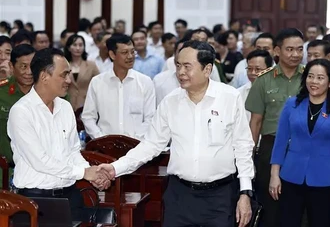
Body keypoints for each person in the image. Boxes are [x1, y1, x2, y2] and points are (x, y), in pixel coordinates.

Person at [97, 40, 255, 227]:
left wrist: (245, 192)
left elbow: (243, 146)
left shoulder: (229, 97)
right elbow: (151, 145)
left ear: (207, 69)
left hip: (219, 196)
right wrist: (116, 167)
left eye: (187, 67)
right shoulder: (170, 102)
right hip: (180, 196)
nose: (180, 72)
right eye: (178, 65)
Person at [8, 48, 111, 220]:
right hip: (36, 200)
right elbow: (41, 161)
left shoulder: (64, 107)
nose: (69, 80)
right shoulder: (21, 111)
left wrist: (91, 173)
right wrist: (84, 173)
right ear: (44, 77)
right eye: (64, 75)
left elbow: (72, 151)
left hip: (69, 196)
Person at [269, 59, 330, 227]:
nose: (314, 81)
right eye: (310, 76)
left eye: (320, 78)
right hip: (291, 176)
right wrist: (274, 175)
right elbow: (280, 141)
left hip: (325, 180)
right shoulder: (292, 104)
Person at [245, 28, 304, 227]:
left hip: (303, 149)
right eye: (290, 49)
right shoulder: (263, 80)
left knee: (300, 205)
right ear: (277, 51)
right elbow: (256, 122)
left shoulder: (310, 78)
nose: (296, 54)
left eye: (299, 49)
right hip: (270, 149)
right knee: (271, 206)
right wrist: (250, 157)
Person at [81, 34, 155, 140]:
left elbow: (150, 118)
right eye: (125, 53)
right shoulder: (97, 82)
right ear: (112, 55)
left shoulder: (145, 82)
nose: (130, 56)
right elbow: (88, 117)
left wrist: (134, 141)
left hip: (138, 147)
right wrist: (102, 139)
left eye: (132, 52)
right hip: (106, 148)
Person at [0, 44, 35, 188]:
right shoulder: (2, 92)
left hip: (38, 173)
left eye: (32, 66)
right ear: (11, 66)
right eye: (23, 67)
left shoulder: (46, 93)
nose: (29, 72)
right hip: (4, 172)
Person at [64, 34, 99, 111]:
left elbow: (99, 84)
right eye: (74, 45)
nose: (78, 48)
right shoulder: (64, 65)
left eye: (80, 45)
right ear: (69, 47)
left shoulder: (91, 65)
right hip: (67, 104)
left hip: (87, 104)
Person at [238, 50, 273, 121]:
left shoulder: (276, 91)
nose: (253, 73)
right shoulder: (239, 93)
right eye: (249, 69)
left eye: (258, 69)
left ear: (269, 70)